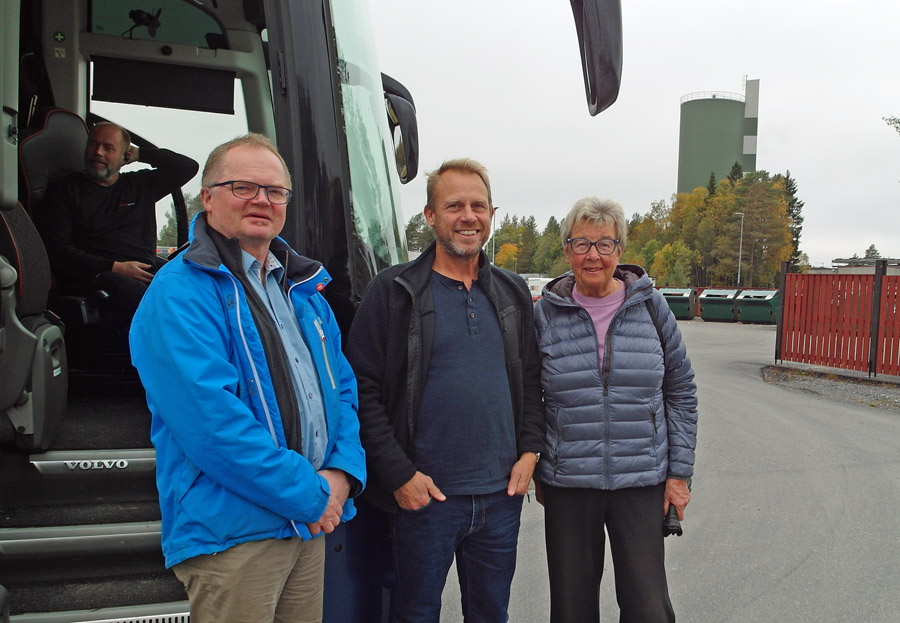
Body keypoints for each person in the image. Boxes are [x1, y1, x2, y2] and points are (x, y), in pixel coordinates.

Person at [129, 133, 366, 623]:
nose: (262, 199)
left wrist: (342, 473)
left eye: (275, 191)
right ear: (208, 197)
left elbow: (342, 390)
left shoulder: (304, 290)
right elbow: (212, 423)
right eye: (243, 186)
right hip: (235, 535)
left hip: (306, 525)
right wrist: (313, 494)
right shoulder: (179, 294)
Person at [345, 158, 544, 623]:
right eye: (454, 205)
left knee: (491, 613)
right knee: (414, 614)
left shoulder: (513, 293)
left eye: (478, 206)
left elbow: (533, 381)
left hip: (500, 499)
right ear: (431, 216)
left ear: (492, 214)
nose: (468, 216)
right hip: (423, 500)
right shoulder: (393, 292)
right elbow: (360, 390)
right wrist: (397, 474)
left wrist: (531, 450)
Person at [533, 197, 698, 623]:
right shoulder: (544, 314)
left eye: (605, 244)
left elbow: (680, 390)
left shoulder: (650, 307)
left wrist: (679, 473)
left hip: (641, 480)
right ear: (567, 251)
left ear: (620, 251)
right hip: (570, 482)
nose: (593, 255)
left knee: (648, 609)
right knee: (572, 610)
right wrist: (534, 462)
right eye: (582, 243)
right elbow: (527, 397)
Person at [38, 121, 198, 322]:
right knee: (157, 305)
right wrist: (114, 266)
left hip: (142, 271)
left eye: (108, 147)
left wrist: (142, 154)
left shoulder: (140, 185)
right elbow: (58, 251)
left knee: (197, 290)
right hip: (96, 275)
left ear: (126, 156)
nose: (98, 152)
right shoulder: (65, 190)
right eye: (93, 144)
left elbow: (188, 167)